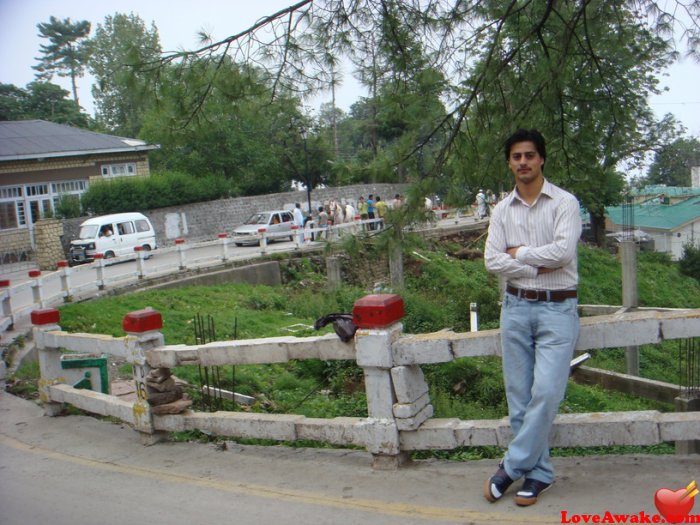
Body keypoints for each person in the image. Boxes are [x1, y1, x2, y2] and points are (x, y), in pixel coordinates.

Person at [483, 129, 582, 507]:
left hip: (558, 308)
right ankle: (539, 473)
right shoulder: (501, 210)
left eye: (529, 155)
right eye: (516, 156)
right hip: (516, 308)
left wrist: (519, 253)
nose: (523, 162)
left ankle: (511, 467)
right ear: (509, 162)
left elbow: (562, 253)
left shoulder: (564, 203)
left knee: (546, 391)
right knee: (519, 397)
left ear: (541, 159)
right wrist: (533, 269)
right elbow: (492, 260)